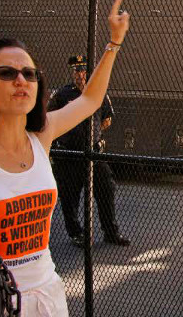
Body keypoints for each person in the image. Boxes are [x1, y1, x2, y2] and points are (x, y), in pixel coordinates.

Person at [0, 0, 129, 317]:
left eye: (29, 74)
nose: (21, 80)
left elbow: (91, 100)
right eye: (6, 73)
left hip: (46, 305)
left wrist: (114, 41)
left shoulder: (41, 136)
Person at [48, 55, 129, 247]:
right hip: (69, 155)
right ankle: (76, 233)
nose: (80, 74)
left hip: (93, 153)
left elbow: (107, 120)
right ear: (72, 73)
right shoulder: (62, 94)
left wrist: (94, 134)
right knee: (70, 195)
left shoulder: (99, 93)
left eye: (83, 70)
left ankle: (110, 232)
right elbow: (50, 118)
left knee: (106, 189)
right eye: (76, 70)